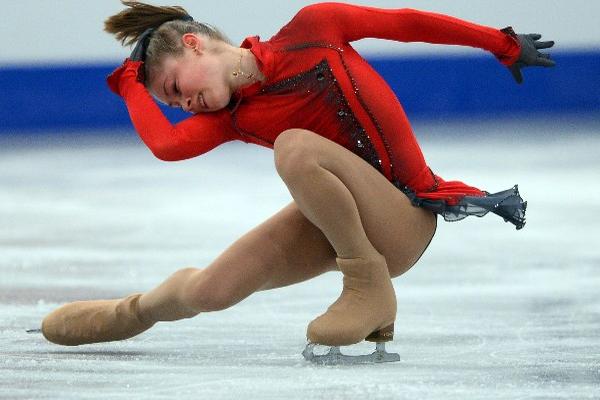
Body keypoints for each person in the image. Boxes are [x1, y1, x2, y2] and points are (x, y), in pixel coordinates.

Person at [40, 1, 554, 361]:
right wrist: (133, 88)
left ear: (195, 45)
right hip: (333, 215)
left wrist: (500, 44)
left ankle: (367, 283)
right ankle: (134, 311)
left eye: (176, 87)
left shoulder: (314, 28)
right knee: (213, 292)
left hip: (402, 215)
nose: (184, 105)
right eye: (173, 104)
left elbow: (404, 23)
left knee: (295, 146)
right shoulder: (232, 117)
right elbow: (166, 145)